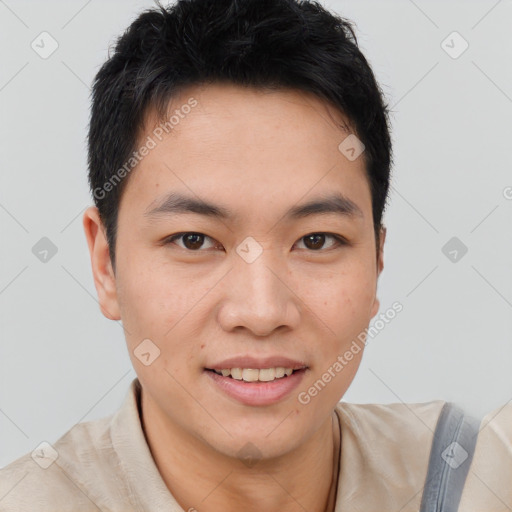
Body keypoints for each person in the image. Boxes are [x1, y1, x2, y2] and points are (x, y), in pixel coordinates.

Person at [0, 0, 509, 511]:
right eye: (194, 240)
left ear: (377, 260)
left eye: (316, 240)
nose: (262, 312)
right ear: (106, 264)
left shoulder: (476, 477)